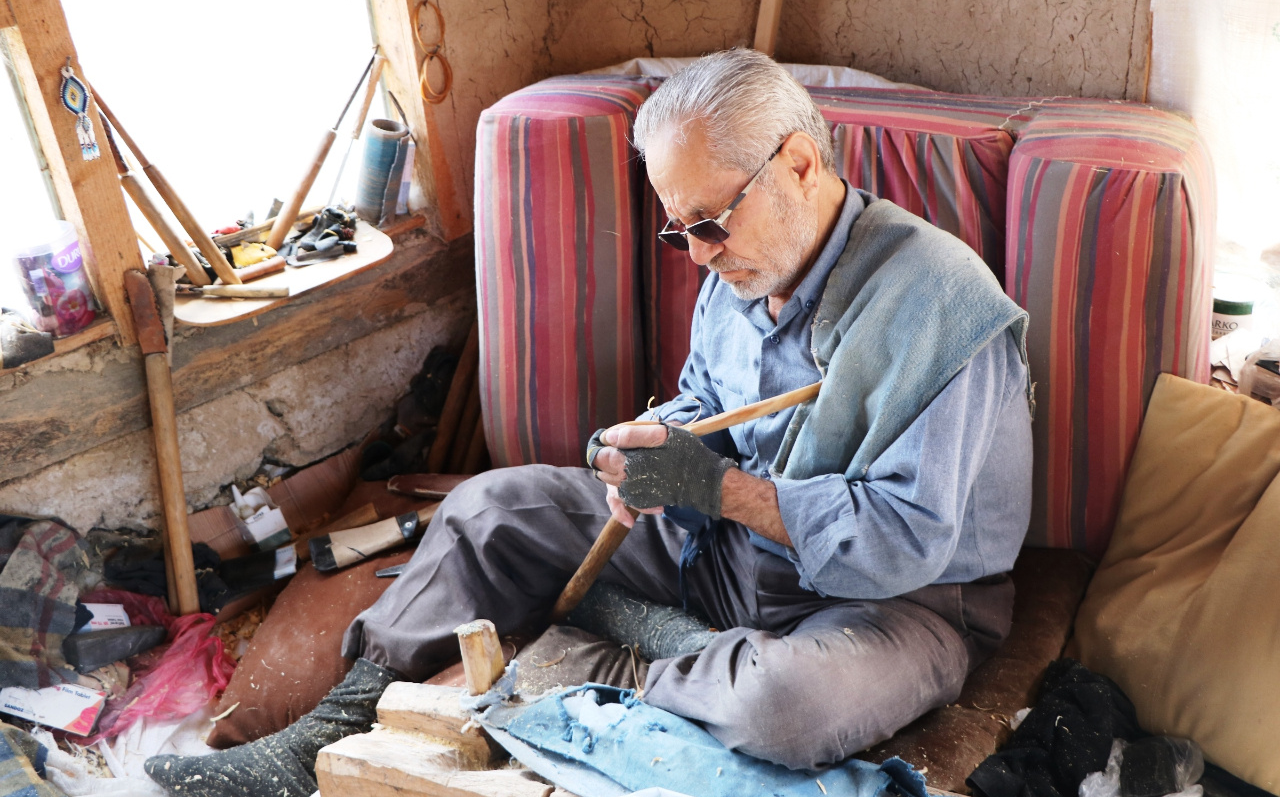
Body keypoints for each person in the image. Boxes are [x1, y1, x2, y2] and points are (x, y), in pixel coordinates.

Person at [145, 48, 1032, 797]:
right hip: (729, 554)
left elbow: (906, 543)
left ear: (800, 164)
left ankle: (625, 656)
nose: (696, 255)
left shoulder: (943, 310)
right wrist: (648, 449)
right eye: (677, 232)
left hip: (891, 607)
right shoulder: (741, 268)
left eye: (711, 225)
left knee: (784, 709)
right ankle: (318, 736)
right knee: (493, 511)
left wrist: (715, 487)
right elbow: (704, 402)